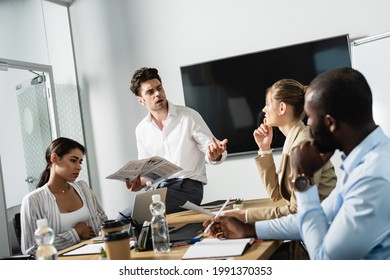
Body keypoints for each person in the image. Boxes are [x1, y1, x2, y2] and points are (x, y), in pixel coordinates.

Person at [204, 67, 390, 260]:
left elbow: (324, 259)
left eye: (310, 117)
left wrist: (304, 178)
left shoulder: (373, 177)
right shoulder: (365, 162)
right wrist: (249, 229)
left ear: (330, 123)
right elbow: (322, 215)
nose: (308, 125)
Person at [223, 79, 336, 224]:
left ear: (282, 108)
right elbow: (278, 195)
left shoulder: (303, 144)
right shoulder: (294, 139)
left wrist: (245, 215)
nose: (264, 109)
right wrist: (264, 149)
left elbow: (297, 210)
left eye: (268, 104)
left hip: (320, 230)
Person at [119, 67, 228, 217]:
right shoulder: (141, 130)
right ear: (141, 100)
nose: (157, 93)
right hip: (159, 189)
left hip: (188, 188)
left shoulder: (189, 117)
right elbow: (148, 173)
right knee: (126, 219)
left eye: (159, 88)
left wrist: (215, 154)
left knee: (132, 215)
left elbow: (212, 151)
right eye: (150, 92)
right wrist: (139, 183)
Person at [20, 137, 108, 255]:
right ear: (54, 158)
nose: (79, 167)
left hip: (95, 256)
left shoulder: (83, 188)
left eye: (80, 162)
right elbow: (32, 249)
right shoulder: (33, 200)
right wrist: (75, 233)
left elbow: (103, 221)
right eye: (73, 160)